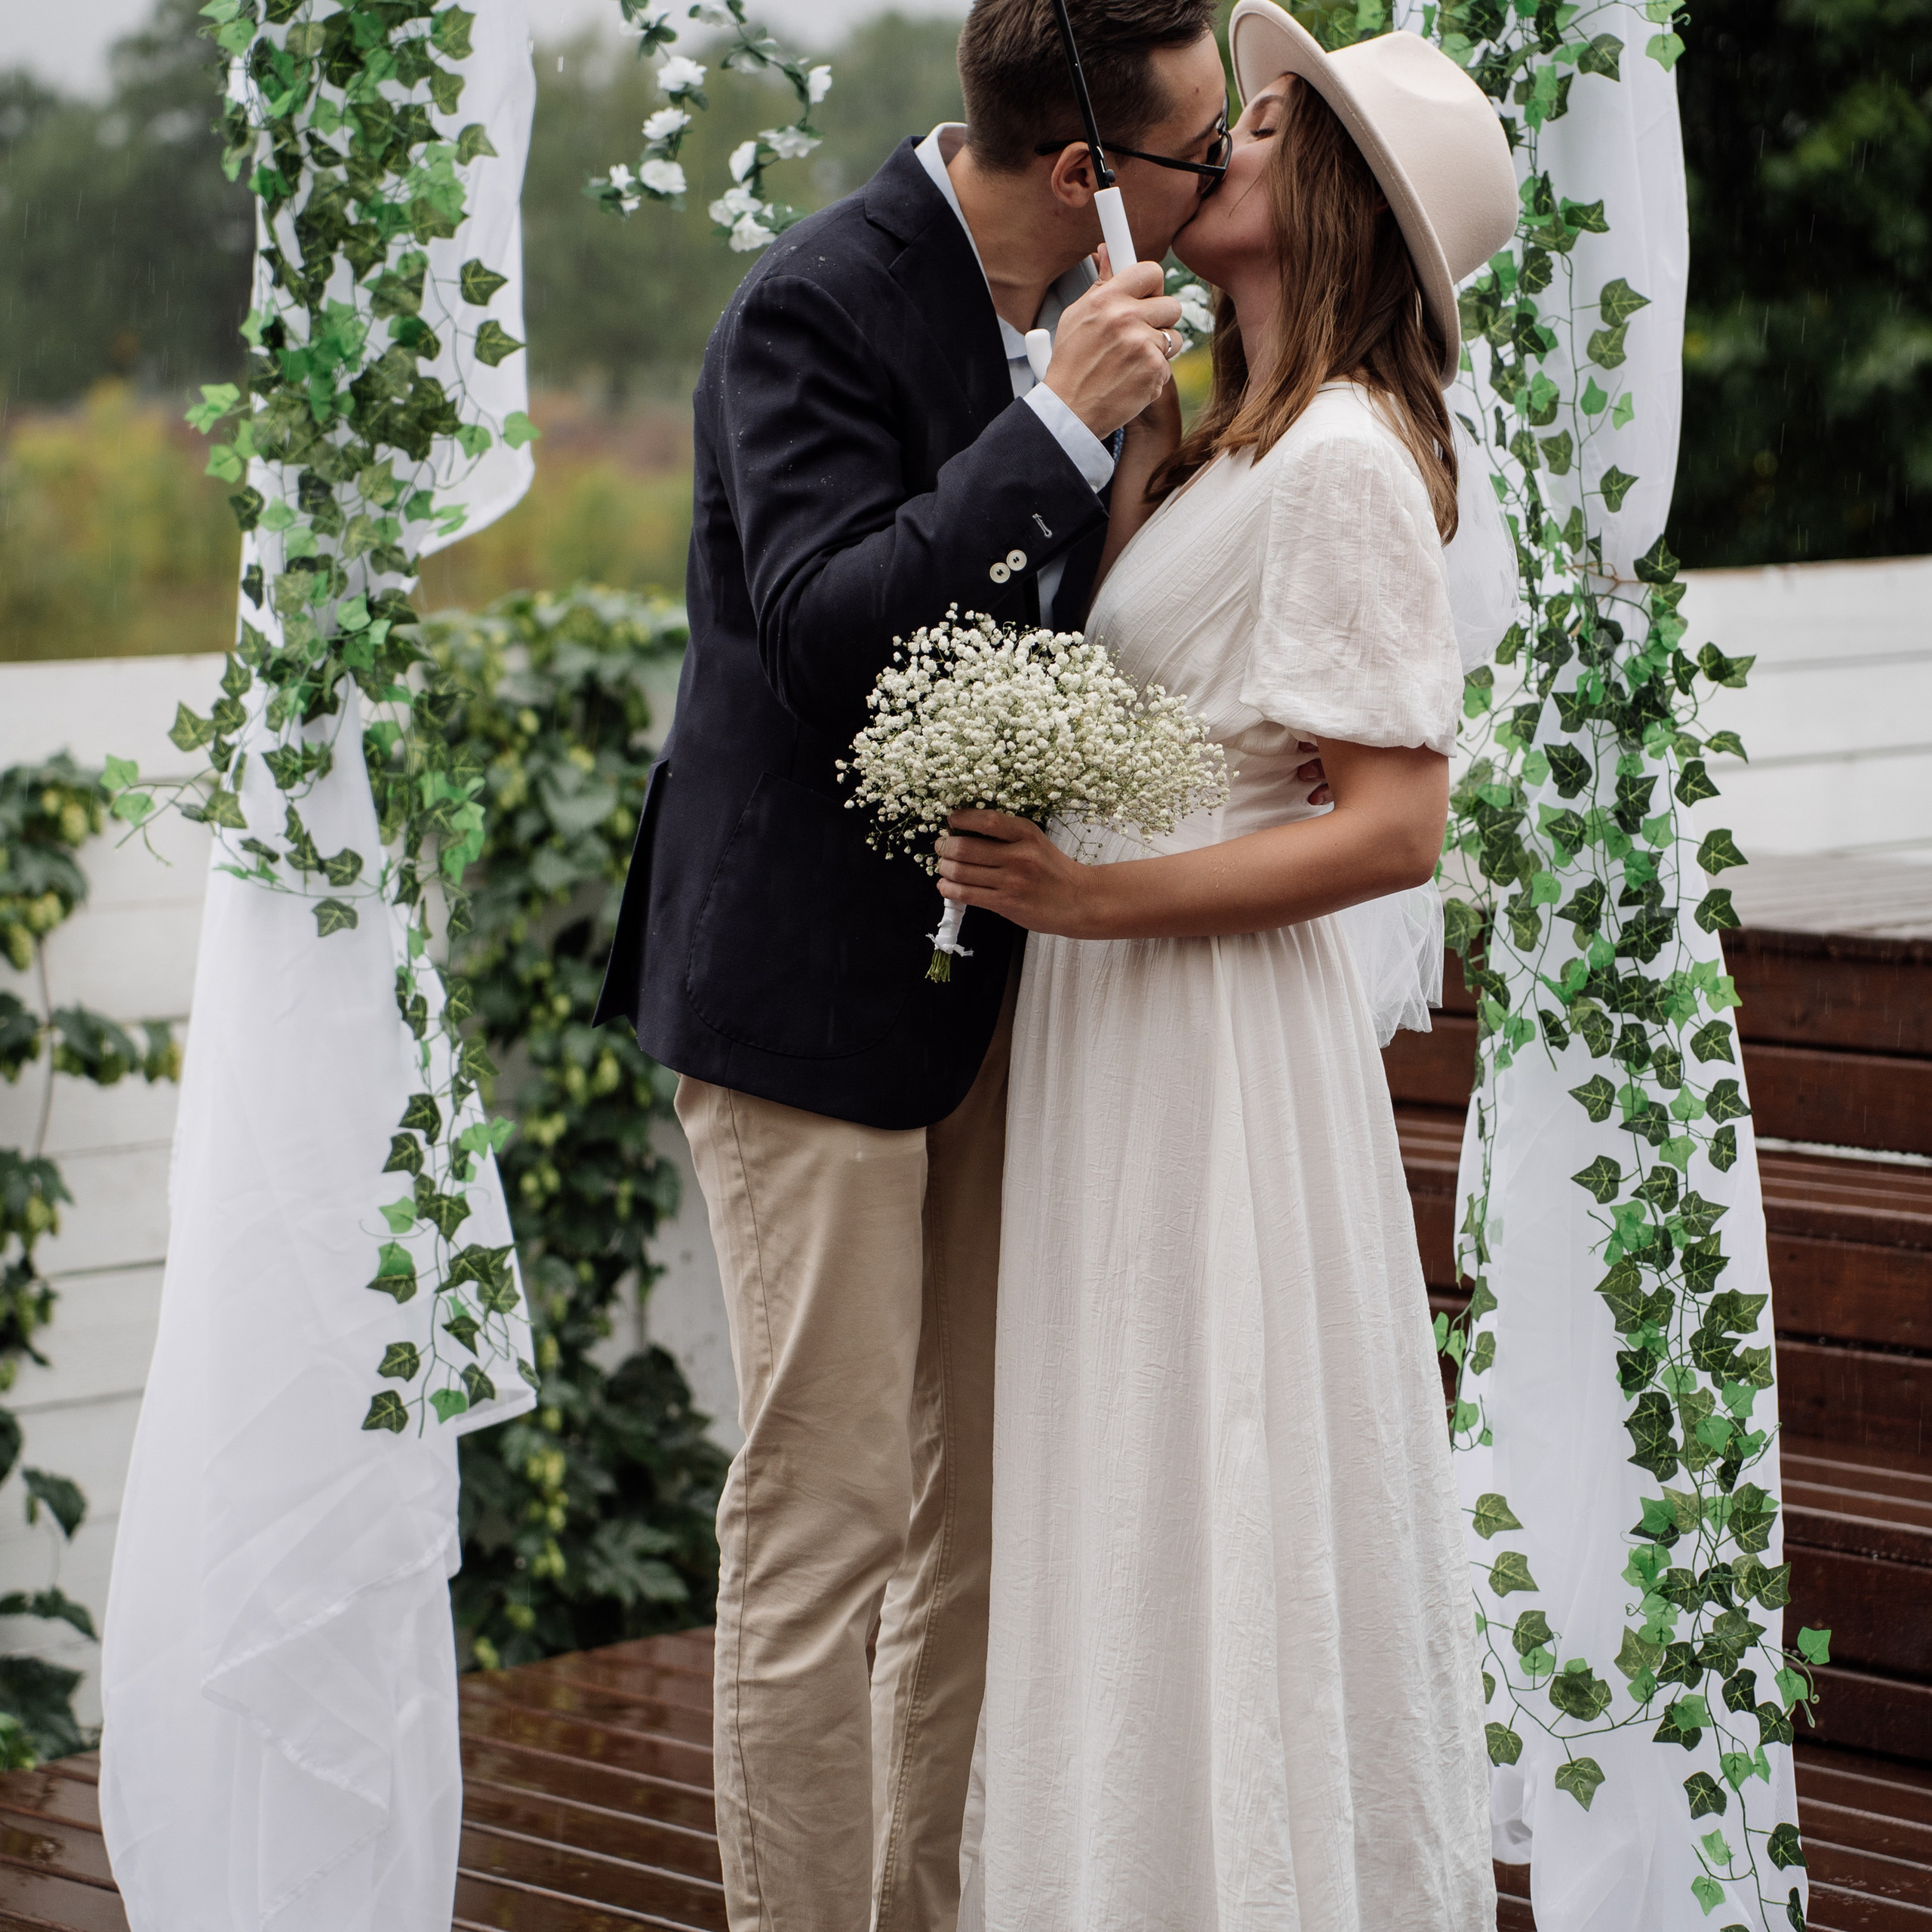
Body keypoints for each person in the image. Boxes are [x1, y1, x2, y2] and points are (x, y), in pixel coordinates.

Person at [591, 4, 1238, 1927]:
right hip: (800, 1001)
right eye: (1196, 156)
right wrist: (1049, 425)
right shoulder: (812, 306)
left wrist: (1136, 469)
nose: (1214, 188)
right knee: (827, 1517)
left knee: (966, 1514)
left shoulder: (1121, 323)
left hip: (992, 990)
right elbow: (819, 636)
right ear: (1082, 178)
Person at [937, 8, 1519, 1925]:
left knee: (1219, 1461)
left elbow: (1389, 828)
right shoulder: (1225, 447)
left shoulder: (1348, 455)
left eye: (1257, 129)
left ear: (1324, 196)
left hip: (1205, 1034)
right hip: (1117, 1029)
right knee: (1130, 1478)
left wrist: (1084, 899)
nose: (1213, 151)